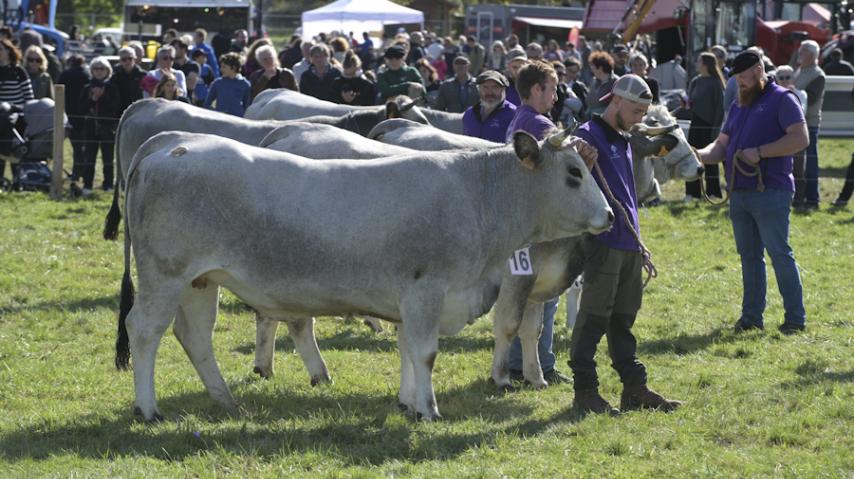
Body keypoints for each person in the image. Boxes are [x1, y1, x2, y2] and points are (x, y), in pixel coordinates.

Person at [570, 74, 682, 415]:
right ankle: (585, 393)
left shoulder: (624, 137)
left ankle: (634, 389)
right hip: (603, 242)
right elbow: (568, 170)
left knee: (623, 319)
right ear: (615, 101)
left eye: (643, 112)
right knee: (592, 319)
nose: (639, 118)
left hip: (629, 242)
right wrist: (578, 158)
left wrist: (639, 242)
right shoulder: (586, 137)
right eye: (635, 110)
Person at [696, 50, 809, 335]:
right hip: (740, 192)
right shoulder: (738, 105)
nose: (740, 83)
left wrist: (760, 152)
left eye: (744, 77)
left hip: (771, 190)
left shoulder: (783, 99)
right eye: (737, 78)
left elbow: (800, 138)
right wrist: (697, 155)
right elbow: (722, 146)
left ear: (759, 70)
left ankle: (795, 319)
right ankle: (751, 318)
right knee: (749, 257)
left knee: (779, 254)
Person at [504, 60, 570, 385]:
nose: (555, 97)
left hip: (516, 224)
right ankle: (541, 364)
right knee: (545, 295)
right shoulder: (542, 125)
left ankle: (517, 363)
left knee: (520, 291)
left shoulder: (517, 119)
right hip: (540, 224)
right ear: (536, 89)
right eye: (552, 89)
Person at [684, 52, 726, 200]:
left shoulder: (715, 83)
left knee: (710, 160)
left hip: (709, 127)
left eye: (699, 61)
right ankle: (692, 193)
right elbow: (691, 102)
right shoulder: (695, 81)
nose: (696, 64)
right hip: (695, 124)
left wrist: (714, 131)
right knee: (692, 158)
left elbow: (719, 109)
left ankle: (713, 192)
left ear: (705, 64)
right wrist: (686, 105)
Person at [79, 56, 120, 195]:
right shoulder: (86, 87)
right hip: (90, 129)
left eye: (102, 68)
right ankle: (87, 185)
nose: (99, 71)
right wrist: (93, 99)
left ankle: (108, 185)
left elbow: (115, 106)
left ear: (107, 70)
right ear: (92, 70)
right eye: (96, 68)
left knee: (108, 159)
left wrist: (103, 97)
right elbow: (81, 108)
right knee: (89, 158)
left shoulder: (113, 87)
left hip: (107, 128)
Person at [793, 40, 825, 210]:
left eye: (803, 51)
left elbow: (811, 99)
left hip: (810, 124)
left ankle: (813, 199)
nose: (799, 54)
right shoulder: (799, 71)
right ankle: (799, 196)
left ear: (812, 55)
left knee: (810, 162)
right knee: (798, 163)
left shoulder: (818, 75)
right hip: (798, 123)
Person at [0, 39, 34, 184]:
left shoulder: (19, 71)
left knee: (16, 149)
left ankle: (17, 181)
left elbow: (29, 97)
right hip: (0, 116)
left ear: (8, 51)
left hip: (17, 116)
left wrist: (20, 110)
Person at [56, 54, 87, 194]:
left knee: (75, 147)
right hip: (84, 115)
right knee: (82, 148)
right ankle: (79, 172)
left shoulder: (65, 75)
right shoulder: (86, 74)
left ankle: (76, 173)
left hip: (69, 114)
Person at [462, 70, 516, 143]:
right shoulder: (469, 114)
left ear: (503, 90)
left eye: (495, 87)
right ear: (479, 89)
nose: (490, 92)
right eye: (485, 87)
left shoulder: (513, 114)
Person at [204, 52, 251, 117]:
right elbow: (207, 104)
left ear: (234, 68)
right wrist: (216, 113)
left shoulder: (245, 84)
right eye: (221, 67)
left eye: (224, 67)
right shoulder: (217, 83)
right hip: (220, 120)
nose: (221, 69)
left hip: (237, 121)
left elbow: (247, 106)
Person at [111, 46, 145, 116]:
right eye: (124, 59)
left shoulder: (143, 75)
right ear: (120, 61)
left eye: (130, 58)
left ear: (135, 59)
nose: (127, 61)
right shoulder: (115, 77)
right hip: (120, 113)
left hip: (138, 112)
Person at [586, 51, 619, 118]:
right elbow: (588, 101)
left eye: (593, 66)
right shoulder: (594, 81)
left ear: (600, 68)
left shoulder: (616, 82)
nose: (591, 69)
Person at [563, 56, 588, 122]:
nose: (572, 73)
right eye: (570, 70)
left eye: (575, 71)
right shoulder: (557, 84)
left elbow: (584, 106)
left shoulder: (579, 86)